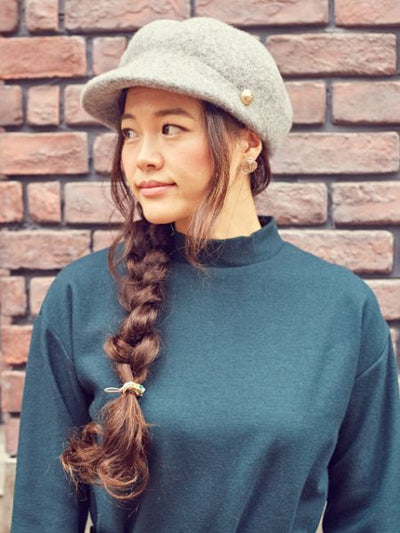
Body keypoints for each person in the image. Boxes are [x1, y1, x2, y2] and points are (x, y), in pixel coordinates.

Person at [11, 17, 400, 533]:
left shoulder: (341, 308)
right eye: (130, 133)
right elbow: (41, 516)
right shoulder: (79, 297)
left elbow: (373, 515)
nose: (143, 157)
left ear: (248, 143)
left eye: (171, 128)